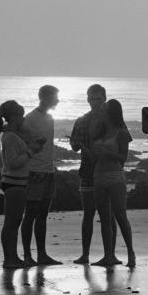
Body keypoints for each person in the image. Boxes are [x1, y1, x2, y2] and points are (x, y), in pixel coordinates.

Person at [0, 100, 39, 269]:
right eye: (21, 115)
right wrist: (30, 152)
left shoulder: (11, 135)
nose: (23, 119)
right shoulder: (11, 137)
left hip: (15, 182)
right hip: (14, 183)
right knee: (12, 223)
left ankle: (12, 256)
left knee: (14, 222)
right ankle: (9, 258)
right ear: (13, 117)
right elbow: (13, 163)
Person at [91, 99, 136, 267]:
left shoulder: (122, 132)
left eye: (103, 110)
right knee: (104, 218)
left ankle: (131, 253)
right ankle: (108, 255)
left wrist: (107, 153)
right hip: (99, 175)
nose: (100, 112)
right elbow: (93, 154)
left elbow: (123, 158)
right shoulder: (100, 131)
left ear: (111, 112)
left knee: (120, 215)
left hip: (115, 175)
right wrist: (93, 152)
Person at [21, 84, 62, 266]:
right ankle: (28, 255)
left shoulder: (50, 118)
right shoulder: (30, 119)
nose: (57, 100)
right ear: (43, 97)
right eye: (55, 97)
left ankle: (42, 254)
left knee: (43, 215)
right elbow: (23, 144)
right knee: (30, 214)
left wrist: (53, 166)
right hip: (34, 172)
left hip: (48, 170)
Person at [69, 84, 108, 264]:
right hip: (87, 171)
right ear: (87, 100)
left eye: (99, 98)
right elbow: (74, 145)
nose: (95, 102)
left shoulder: (111, 120)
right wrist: (83, 145)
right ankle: (85, 254)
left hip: (107, 171)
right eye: (92, 98)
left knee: (107, 214)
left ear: (104, 99)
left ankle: (109, 254)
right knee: (89, 213)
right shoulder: (82, 120)